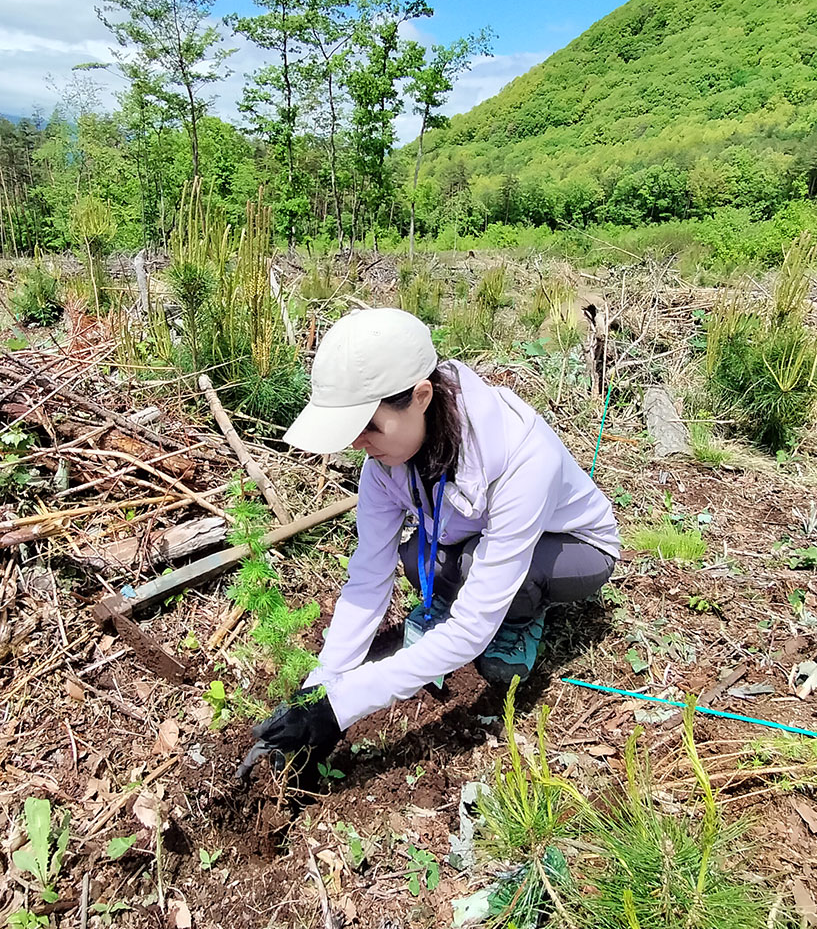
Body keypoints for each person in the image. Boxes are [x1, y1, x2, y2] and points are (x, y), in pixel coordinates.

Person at [239, 308, 619, 779]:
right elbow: (368, 579)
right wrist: (318, 691)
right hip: (476, 537)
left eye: (369, 427)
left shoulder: (523, 456)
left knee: (498, 591)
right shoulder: (384, 463)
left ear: (421, 397)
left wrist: (343, 708)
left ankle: (523, 617)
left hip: (571, 548)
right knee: (410, 558)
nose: (358, 443)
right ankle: (471, 587)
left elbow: (471, 627)